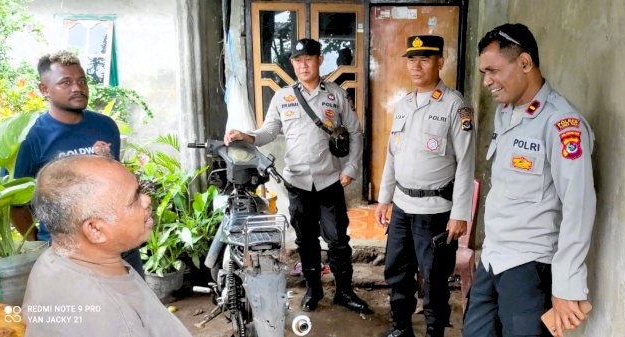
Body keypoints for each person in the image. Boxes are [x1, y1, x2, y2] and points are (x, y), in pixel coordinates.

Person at [462, 23, 596, 337]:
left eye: (493, 70)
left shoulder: (562, 123)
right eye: (484, 72)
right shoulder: (505, 113)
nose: (487, 81)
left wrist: (566, 284)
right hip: (493, 259)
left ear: (525, 63)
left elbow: (579, 206)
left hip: (530, 268)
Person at [224, 38, 370, 314]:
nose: (303, 65)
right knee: (306, 240)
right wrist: (246, 135)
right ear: (292, 64)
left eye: (309, 59)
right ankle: (314, 289)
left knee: (338, 240)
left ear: (319, 60)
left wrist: (351, 168)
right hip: (297, 182)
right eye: (297, 60)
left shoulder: (336, 94)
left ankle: (344, 291)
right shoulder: (283, 97)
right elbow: (268, 132)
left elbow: (356, 131)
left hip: (329, 180)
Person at [22, 155, 192, 337]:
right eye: (134, 198)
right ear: (95, 229)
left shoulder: (53, 261)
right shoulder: (110, 317)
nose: (146, 200)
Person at [9, 50, 144, 277]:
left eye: (81, 81)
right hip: (70, 254)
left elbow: (117, 181)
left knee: (135, 307)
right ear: (44, 90)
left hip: (119, 246)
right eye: (66, 82)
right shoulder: (31, 137)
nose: (77, 88)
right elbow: (17, 205)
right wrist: (40, 246)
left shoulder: (105, 126)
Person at [375, 35, 476, 337]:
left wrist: (460, 214)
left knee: (433, 279)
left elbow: (466, 165)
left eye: (425, 59)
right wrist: (384, 199)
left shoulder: (456, 107)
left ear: (440, 62)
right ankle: (400, 327)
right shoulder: (404, 105)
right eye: (411, 59)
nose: (416, 66)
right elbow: (392, 155)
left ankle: (435, 331)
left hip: (436, 212)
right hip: (403, 208)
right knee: (397, 272)